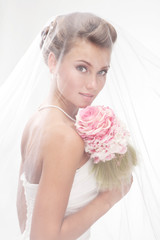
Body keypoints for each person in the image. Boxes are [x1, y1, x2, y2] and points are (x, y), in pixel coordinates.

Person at [16, 12, 133, 240]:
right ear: (53, 62)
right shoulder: (65, 137)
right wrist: (109, 197)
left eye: (102, 72)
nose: (93, 84)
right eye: (82, 68)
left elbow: (25, 220)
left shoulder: (36, 121)